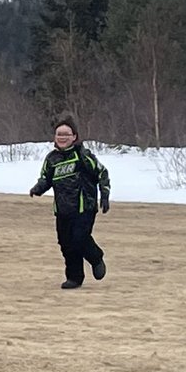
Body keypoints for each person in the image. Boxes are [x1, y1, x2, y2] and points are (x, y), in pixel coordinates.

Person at [29, 111, 111, 289]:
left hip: (84, 207)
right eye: (59, 134)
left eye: (66, 134)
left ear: (74, 136)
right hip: (62, 209)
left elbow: (102, 173)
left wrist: (104, 194)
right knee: (66, 244)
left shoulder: (83, 155)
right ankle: (74, 277)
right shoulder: (52, 159)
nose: (62, 137)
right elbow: (46, 178)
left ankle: (96, 257)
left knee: (79, 238)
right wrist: (38, 188)